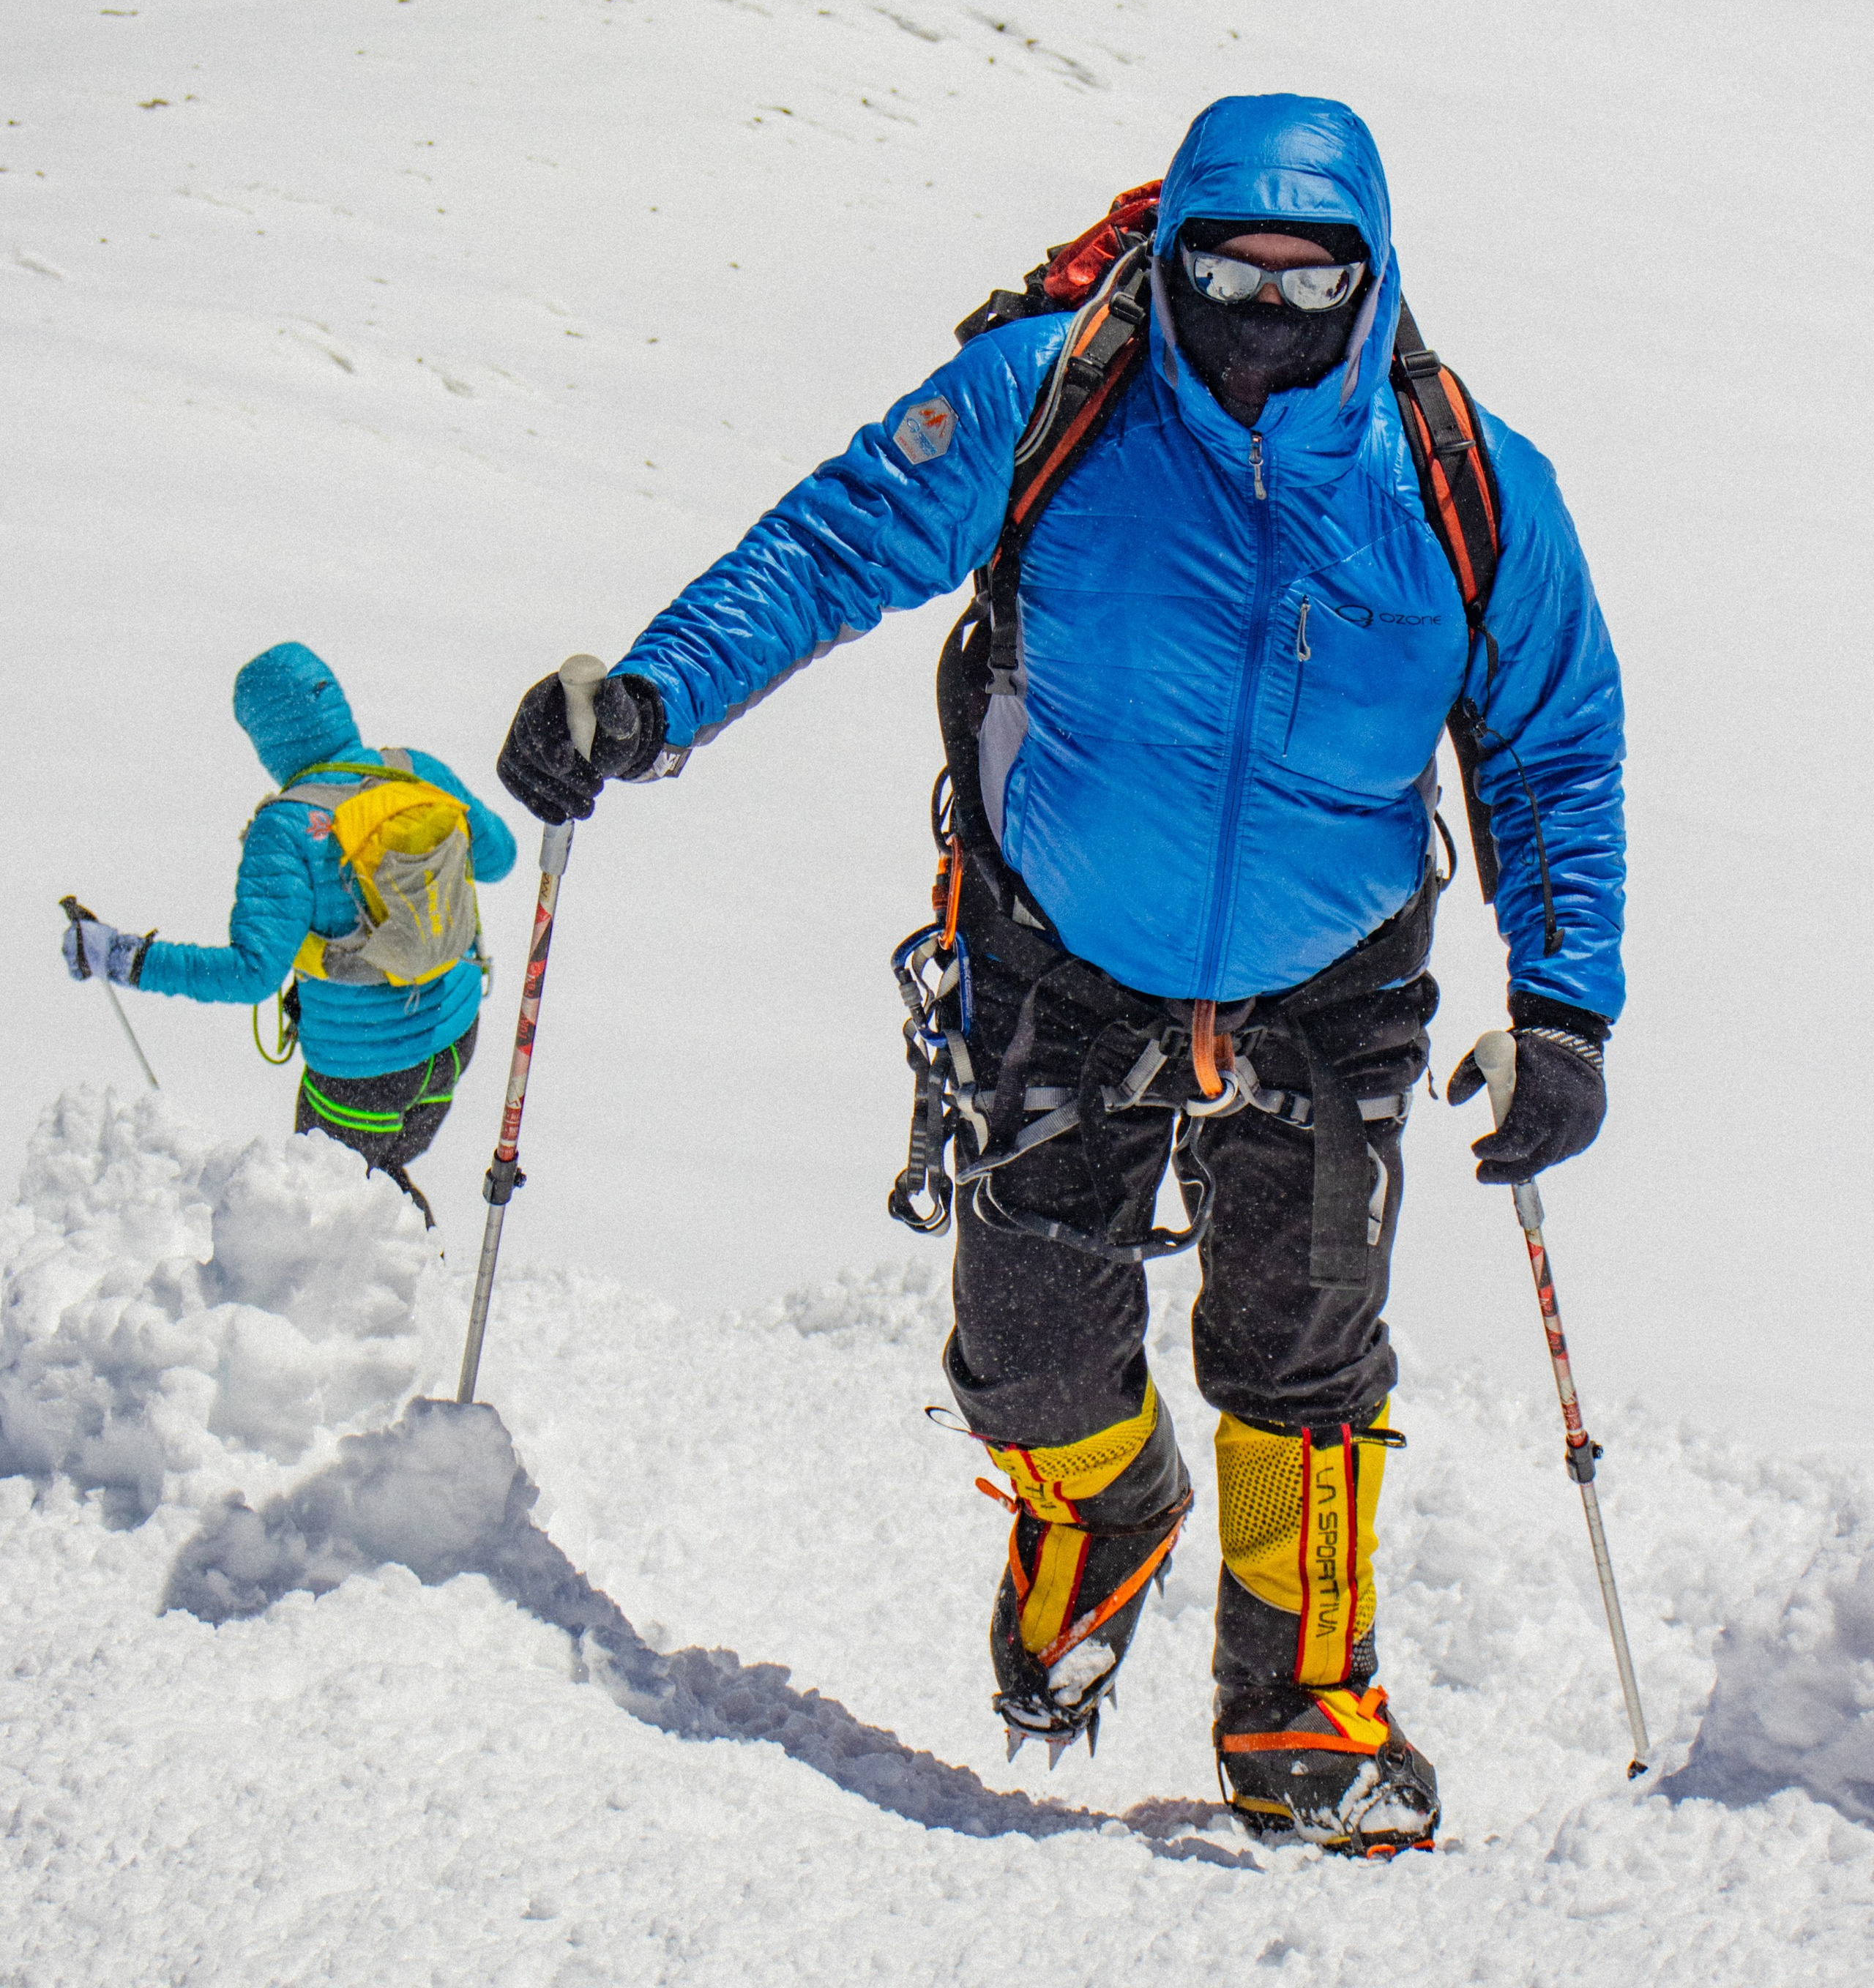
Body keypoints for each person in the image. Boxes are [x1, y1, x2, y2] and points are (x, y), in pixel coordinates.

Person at [497, 94, 1624, 1852]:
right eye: (1222, 261)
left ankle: (1303, 1715)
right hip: (1052, 947)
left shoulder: (1468, 481)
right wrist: (646, 697)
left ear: (1370, 267)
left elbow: (1548, 746)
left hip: (1331, 978)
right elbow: (830, 542)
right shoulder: (1049, 390)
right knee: (1020, 1348)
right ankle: (1098, 1510)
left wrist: (1563, 1008)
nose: (1259, 303)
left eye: (1304, 269)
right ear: (1165, 249)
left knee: (1300, 1350)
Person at [62, 643, 515, 1227]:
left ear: (267, 741)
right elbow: (499, 857)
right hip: (454, 1037)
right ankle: (418, 1279)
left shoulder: (284, 827)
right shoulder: (415, 769)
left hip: (360, 1073)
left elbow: (250, 976)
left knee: (324, 1214)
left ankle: (398, 1289)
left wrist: (123, 958)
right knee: (382, 1182)